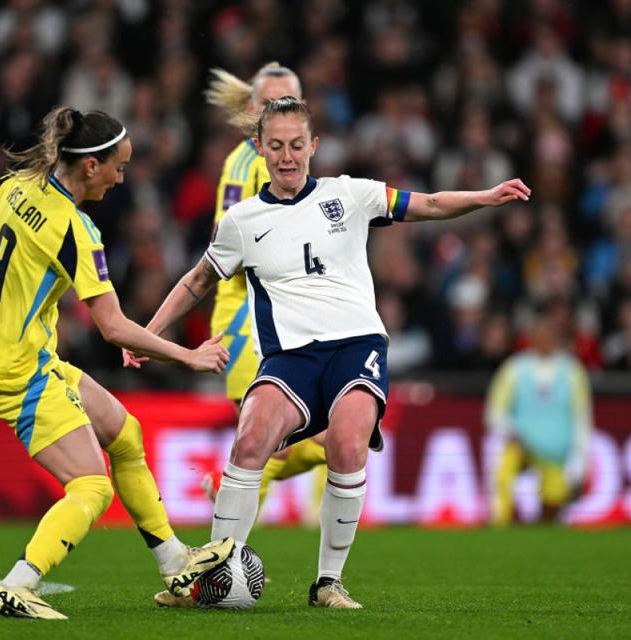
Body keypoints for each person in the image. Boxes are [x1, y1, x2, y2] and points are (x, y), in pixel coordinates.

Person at [129, 97, 530, 609]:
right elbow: (198, 281)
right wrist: (149, 336)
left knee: (346, 444)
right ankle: (211, 576)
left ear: (313, 146)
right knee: (250, 440)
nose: (288, 156)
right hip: (289, 356)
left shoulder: (352, 195)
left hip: (356, 344)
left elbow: (426, 204)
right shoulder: (241, 221)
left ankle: (327, 583)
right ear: (259, 148)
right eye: (276, 146)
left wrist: (487, 197)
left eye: (297, 145)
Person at [0, 107, 234, 621]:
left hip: (10, 353)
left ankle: (175, 565)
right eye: (118, 166)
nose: (122, 177)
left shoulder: (16, 185)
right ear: (90, 166)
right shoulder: (76, 230)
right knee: (92, 486)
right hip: (16, 370)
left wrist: (7, 277)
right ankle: (17, 585)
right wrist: (190, 355)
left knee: (126, 433)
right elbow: (113, 327)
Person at [197, 63, 329, 516]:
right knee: (296, 443)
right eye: (269, 103)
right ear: (252, 109)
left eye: (287, 101)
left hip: (275, 318)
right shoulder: (247, 164)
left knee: (296, 444)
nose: (279, 110)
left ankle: (227, 546)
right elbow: (228, 245)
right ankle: (225, 552)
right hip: (247, 321)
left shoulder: (279, 159)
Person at [486, 301, 592, 525]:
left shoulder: (573, 372)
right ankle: (500, 525)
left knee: (554, 498)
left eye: (549, 334)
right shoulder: (514, 369)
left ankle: (546, 530)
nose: (544, 339)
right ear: (531, 337)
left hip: (556, 451)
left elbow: (582, 418)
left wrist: (580, 460)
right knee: (503, 475)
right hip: (523, 444)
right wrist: (512, 430)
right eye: (539, 334)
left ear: (557, 338)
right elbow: (494, 412)